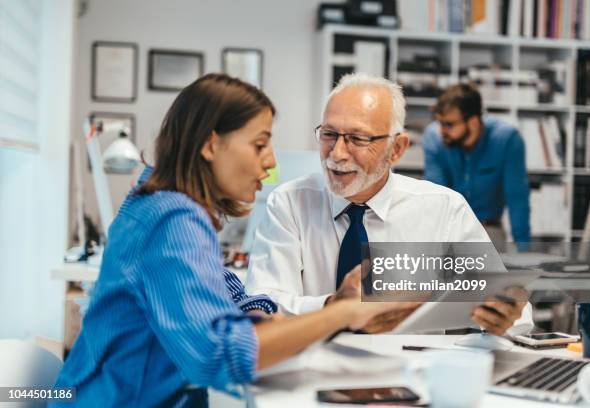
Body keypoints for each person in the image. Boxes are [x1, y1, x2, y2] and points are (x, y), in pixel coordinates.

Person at [51, 74, 413, 407]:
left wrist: (272, 315)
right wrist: (341, 313)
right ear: (211, 144)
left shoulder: (161, 204)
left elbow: (230, 297)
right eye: (260, 145)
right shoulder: (171, 217)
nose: (270, 163)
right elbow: (218, 355)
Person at [246, 73, 532, 336]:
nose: (337, 153)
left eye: (357, 138)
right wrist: (334, 306)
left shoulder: (444, 209)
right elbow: (261, 306)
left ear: (396, 149)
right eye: (329, 134)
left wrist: (503, 315)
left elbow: (514, 312)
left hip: (412, 377)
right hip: (307, 371)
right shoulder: (289, 203)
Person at [423, 83, 531, 247]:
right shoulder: (434, 138)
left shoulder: (507, 140)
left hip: (489, 229)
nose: (441, 131)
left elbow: (517, 199)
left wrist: (525, 255)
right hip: (448, 230)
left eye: (449, 124)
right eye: (440, 123)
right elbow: (437, 199)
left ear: (472, 122)